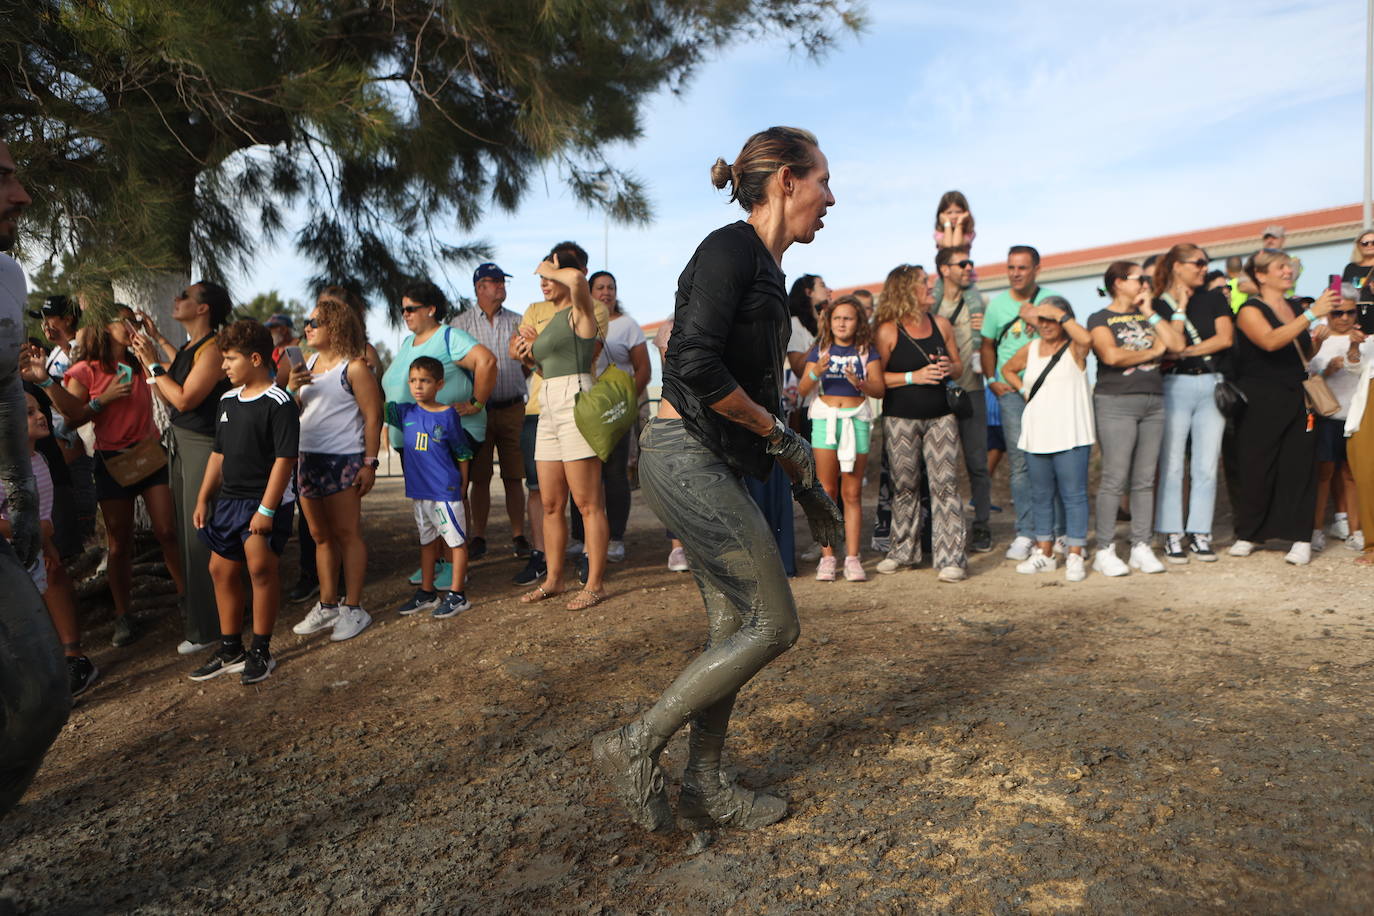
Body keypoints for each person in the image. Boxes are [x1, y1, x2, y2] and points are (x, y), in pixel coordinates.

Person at [592, 125, 842, 834]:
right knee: (775, 623)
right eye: (823, 181)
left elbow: (757, 403)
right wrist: (780, 436)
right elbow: (693, 363)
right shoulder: (728, 249)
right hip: (684, 456)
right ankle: (635, 744)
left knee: (733, 625)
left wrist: (806, 485)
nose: (830, 198)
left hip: (711, 461)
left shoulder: (766, 269)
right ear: (787, 180)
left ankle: (705, 783)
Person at [28, 305, 186, 647]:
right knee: (119, 543)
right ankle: (123, 615)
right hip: (112, 461)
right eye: (124, 321)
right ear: (104, 327)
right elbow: (72, 418)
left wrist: (154, 347)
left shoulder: (137, 361)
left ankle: (187, 598)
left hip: (149, 454)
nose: (131, 327)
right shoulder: (84, 370)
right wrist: (103, 400)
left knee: (167, 530)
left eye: (134, 321)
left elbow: (174, 387)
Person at [0, 132, 70, 816]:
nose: (21, 195)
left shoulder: (8, 276)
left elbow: (4, 392)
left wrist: (22, 493)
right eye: (1, 178)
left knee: (42, 692)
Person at [189, 320, 299, 684]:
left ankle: (261, 650)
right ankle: (230, 648)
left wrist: (266, 510)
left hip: (263, 502)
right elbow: (218, 454)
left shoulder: (279, 401)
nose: (223, 366)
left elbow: (285, 459)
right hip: (228, 502)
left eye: (230, 359)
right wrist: (204, 496)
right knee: (220, 570)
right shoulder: (226, 400)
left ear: (254, 359)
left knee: (260, 569)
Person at [128, 282, 233, 655]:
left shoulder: (214, 348)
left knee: (199, 535)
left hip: (203, 445)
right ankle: (203, 621)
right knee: (189, 535)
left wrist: (153, 361)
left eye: (186, 296)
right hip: (182, 443)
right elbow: (168, 391)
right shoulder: (191, 348)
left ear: (204, 308)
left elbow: (185, 399)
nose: (177, 299)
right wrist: (152, 354)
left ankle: (213, 626)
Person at [511, 243, 610, 610]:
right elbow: (544, 368)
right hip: (547, 400)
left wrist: (554, 268)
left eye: (549, 275)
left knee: (587, 503)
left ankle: (595, 584)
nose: (543, 282)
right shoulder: (550, 318)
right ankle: (553, 579)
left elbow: (579, 281)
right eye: (541, 277)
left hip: (575, 400)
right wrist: (527, 357)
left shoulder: (582, 311)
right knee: (551, 502)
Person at [380, 281, 496, 590]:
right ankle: (437, 564)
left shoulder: (449, 337)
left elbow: (486, 361)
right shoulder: (408, 343)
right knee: (428, 504)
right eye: (402, 309)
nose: (405, 314)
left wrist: (475, 403)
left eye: (411, 308)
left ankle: (455, 566)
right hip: (413, 439)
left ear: (431, 309)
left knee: (449, 499)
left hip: (446, 435)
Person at [1229, 249, 1335, 564]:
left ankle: (1301, 537)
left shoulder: (1293, 307)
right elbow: (1270, 341)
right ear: (1261, 275)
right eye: (1280, 267)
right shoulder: (1250, 309)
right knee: (1257, 466)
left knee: (1300, 466)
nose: (1288, 271)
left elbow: (1300, 352)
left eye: (1289, 267)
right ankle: (1250, 533)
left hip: (1297, 395)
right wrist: (1311, 315)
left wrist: (1317, 340)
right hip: (1261, 397)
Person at [286, 298, 382, 640]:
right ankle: (327, 605)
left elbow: (373, 417)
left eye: (315, 322)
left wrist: (370, 463)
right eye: (308, 322)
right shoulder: (307, 363)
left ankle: (353, 608)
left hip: (343, 459)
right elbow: (295, 412)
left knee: (347, 534)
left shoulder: (354, 367)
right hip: (307, 459)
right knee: (320, 536)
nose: (307, 328)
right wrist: (292, 388)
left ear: (336, 326)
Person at [1087, 260, 1184, 575]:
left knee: (1144, 480)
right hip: (1116, 402)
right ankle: (1104, 549)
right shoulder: (1100, 318)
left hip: (1154, 402)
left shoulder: (1149, 315)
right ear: (1118, 282)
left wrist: (1150, 312)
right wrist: (1153, 352)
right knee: (1114, 478)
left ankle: (1141, 545)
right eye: (1139, 279)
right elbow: (1111, 355)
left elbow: (1177, 345)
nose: (1145, 284)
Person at [0, 386, 97, 694]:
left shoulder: (39, 460)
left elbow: (42, 514)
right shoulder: (4, 470)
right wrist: (32, 530)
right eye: (29, 413)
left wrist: (48, 545)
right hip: (9, 562)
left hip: (34, 555)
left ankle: (66, 665)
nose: (41, 415)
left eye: (38, 409)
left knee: (44, 602)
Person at [874, 264, 967, 582]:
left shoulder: (941, 323)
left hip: (942, 416)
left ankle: (951, 558)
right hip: (900, 419)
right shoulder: (888, 330)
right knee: (904, 486)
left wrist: (949, 367)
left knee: (946, 485)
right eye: (924, 282)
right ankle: (902, 552)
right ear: (905, 290)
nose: (931, 286)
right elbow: (876, 379)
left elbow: (959, 366)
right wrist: (913, 376)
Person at [999, 298, 1094, 581]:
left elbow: (1087, 338)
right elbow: (1007, 369)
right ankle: (1045, 553)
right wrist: (1023, 390)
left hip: (1072, 433)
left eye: (1052, 320)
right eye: (1042, 319)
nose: (1047, 325)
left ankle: (1075, 553)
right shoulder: (1031, 349)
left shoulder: (1075, 348)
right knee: (1040, 495)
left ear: (1065, 319)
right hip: (1038, 432)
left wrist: (1059, 315)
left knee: (1074, 496)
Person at [980, 245, 1064, 560]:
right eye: (1011, 267)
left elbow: (1068, 338)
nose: (1015, 274)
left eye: (1022, 268)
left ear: (1036, 270)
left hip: (1049, 392)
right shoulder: (997, 305)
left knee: (1055, 460)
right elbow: (987, 345)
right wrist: (992, 380)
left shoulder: (1052, 300)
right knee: (1020, 463)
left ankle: (1056, 532)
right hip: (1012, 394)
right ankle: (1026, 533)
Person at [1151, 246, 1234, 563]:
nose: (1204, 268)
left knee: (1206, 464)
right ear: (1176, 266)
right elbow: (1162, 348)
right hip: (1174, 385)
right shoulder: (1156, 304)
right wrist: (1178, 349)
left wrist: (1184, 351)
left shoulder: (1214, 298)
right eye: (1198, 263)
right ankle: (1171, 532)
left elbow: (1225, 339)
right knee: (1172, 464)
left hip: (1211, 383)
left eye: (1206, 263)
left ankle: (1201, 532)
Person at [798, 295, 884, 581]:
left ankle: (852, 557)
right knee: (826, 490)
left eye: (848, 318)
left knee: (853, 492)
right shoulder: (820, 349)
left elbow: (879, 389)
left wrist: (861, 383)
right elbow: (802, 389)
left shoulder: (866, 350)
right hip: (825, 420)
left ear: (858, 321)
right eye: (837, 318)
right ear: (829, 322)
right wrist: (815, 372)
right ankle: (828, 557)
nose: (842, 323)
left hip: (856, 419)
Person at [568, 270, 650, 564]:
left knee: (615, 475)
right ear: (588, 292)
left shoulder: (628, 325)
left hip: (614, 415)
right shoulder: (576, 321)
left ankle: (615, 538)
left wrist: (625, 405)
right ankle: (580, 537)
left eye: (611, 287)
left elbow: (643, 369)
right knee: (580, 474)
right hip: (584, 412)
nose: (606, 292)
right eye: (600, 287)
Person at [451, 263, 528, 560]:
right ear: (479, 287)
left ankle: (519, 535)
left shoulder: (519, 321)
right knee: (479, 477)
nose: (501, 286)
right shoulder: (460, 325)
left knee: (514, 475)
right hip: (476, 412)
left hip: (512, 408)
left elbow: (526, 362)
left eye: (502, 281)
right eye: (495, 281)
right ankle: (479, 536)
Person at [388, 356, 474, 618]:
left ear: (439, 384)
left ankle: (457, 595)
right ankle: (427, 592)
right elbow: (373, 400)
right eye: (413, 380)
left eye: (424, 380)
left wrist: (463, 484)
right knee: (427, 542)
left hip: (444, 492)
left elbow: (462, 451)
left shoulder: (448, 415)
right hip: (420, 492)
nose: (417, 386)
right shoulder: (404, 412)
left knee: (456, 542)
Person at [932, 245, 992, 552]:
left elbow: (994, 341)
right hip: (938, 393)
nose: (969, 268)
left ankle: (982, 525)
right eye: (962, 263)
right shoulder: (931, 306)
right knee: (942, 466)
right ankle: (942, 529)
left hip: (973, 391)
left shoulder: (981, 303)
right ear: (945, 269)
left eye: (971, 263)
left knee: (977, 462)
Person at [29, 294, 96, 558]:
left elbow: (80, 392)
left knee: (78, 501)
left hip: (77, 439)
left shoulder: (81, 345)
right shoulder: (55, 350)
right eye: (42, 320)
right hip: (58, 436)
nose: (45, 325)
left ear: (68, 319)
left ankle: (84, 555)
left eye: (50, 318)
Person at [1308, 289, 1369, 550]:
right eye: (1337, 312)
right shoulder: (1319, 339)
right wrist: (1326, 370)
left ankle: (1356, 530)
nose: (1344, 318)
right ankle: (1315, 530)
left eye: (1350, 312)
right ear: (1328, 314)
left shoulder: (1367, 340)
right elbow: (1305, 374)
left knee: (1351, 474)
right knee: (1324, 473)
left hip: (1356, 416)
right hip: (1327, 415)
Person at [651, 318, 689, 572]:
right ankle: (677, 547)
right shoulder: (670, 327)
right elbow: (672, 362)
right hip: (676, 409)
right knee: (675, 479)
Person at [1342, 326, 1374, 563]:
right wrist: (1354, 345)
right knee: (1365, 472)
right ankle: (1372, 543)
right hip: (1368, 401)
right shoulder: (1370, 337)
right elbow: (1353, 366)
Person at [1342, 229, 1374, 306]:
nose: (1370, 246)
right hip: (1355, 309)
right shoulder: (1350, 268)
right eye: (1365, 243)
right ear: (1358, 246)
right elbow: (1344, 292)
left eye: (1373, 243)